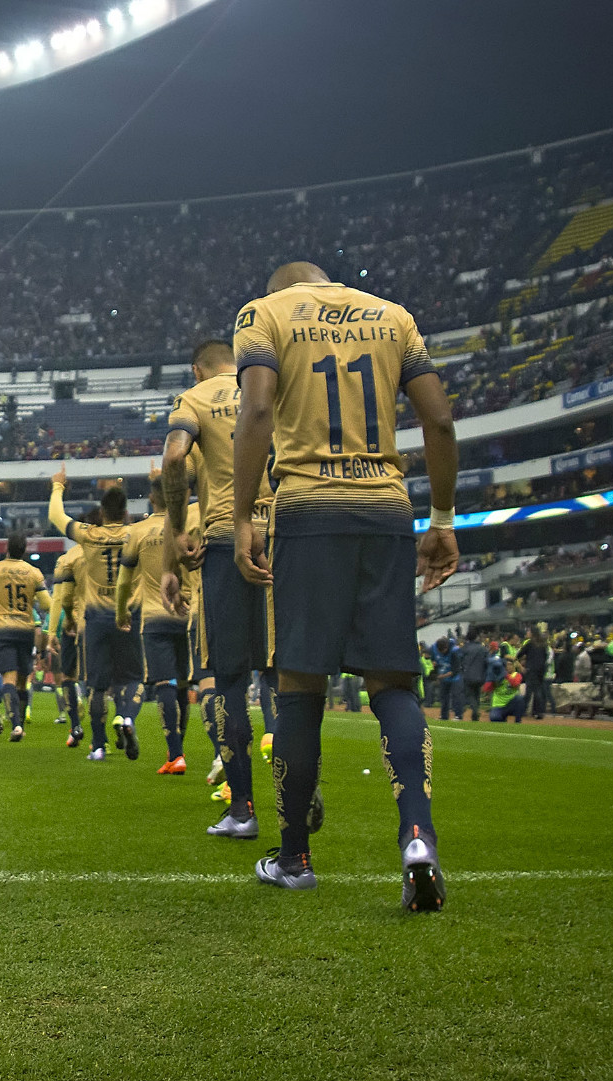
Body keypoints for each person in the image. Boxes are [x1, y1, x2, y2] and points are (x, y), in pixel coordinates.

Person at [226, 261, 457, 912]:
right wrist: (441, 520)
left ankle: (295, 856)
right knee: (393, 683)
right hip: (386, 509)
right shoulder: (394, 315)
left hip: (307, 511)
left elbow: (258, 410)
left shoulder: (264, 313)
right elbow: (438, 421)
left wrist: (245, 515)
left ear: (282, 288)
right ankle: (417, 834)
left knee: (299, 686)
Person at [160, 340, 275, 836]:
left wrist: (178, 525)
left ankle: (243, 809)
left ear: (196, 367)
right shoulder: (271, 384)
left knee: (227, 680)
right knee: (288, 673)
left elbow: (173, 459)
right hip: (286, 534)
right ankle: (301, 789)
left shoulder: (195, 398)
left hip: (228, 540)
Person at [48, 470, 141, 762]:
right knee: (133, 678)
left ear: (102, 512)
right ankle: (125, 717)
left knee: (97, 685)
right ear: (126, 513)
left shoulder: (89, 535)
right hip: (128, 615)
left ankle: (98, 746)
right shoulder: (136, 533)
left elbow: (56, 516)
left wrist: (58, 486)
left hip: (96, 621)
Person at [118, 475, 190, 773]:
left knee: (164, 683)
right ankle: (183, 751)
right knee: (185, 683)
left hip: (155, 614)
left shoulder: (137, 531)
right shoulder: (190, 523)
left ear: (152, 498)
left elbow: (124, 581)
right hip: (188, 613)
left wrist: (122, 611)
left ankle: (175, 753)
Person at [0, 533, 52, 740]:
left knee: (8, 678)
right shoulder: (33, 572)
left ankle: (16, 725)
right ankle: (19, 719)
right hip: (26, 629)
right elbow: (46, 605)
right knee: (22, 680)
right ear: (24, 550)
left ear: (7, 548)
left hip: (3, 629)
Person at [47, 542, 88, 737]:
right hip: (101, 619)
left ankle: (75, 727)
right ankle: (106, 735)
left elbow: (58, 598)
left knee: (67, 676)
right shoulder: (107, 553)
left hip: (71, 621)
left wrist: (52, 632)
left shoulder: (66, 559)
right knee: (100, 678)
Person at [519, 628, 551, 719]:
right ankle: (538, 711)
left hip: (531, 670)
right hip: (541, 671)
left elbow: (520, 653)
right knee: (538, 691)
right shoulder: (543, 645)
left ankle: (523, 711)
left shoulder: (530, 644)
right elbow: (545, 658)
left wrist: (523, 661)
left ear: (532, 633)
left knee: (529, 692)